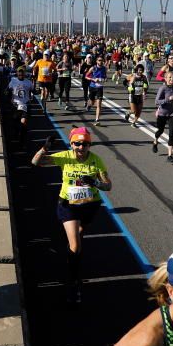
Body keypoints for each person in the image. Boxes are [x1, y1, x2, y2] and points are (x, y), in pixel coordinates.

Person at [32, 127, 112, 304]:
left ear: (89, 145)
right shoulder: (65, 157)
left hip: (90, 205)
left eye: (84, 144)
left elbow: (108, 186)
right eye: (77, 143)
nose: (81, 147)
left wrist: (96, 182)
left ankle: (72, 253)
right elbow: (36, 162)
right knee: (76, 244)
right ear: (71, 144)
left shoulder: (96, 161)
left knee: (79, 236)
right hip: (68, 205)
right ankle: (73, 283)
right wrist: (44, 148)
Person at [151, 72, 173, 162]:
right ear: (165, 78)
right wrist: (168, 99)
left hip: (172, 113)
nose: (171, 79)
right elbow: (156, 102)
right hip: (162, 114)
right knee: (160, 131)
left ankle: (170, 156)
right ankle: (155, 141)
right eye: (169, 77)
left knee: (171, 134)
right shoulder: (163, 88)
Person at [7, 65, 35, 146]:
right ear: (17, 74)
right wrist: (7, 93)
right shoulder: (13, 81)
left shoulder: (28, 82)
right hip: (15, 105)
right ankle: (16, 134)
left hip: (25, 105)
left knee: (23, 122)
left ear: (24, 74)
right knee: (15, 123)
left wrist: (38, 91)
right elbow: (7, 90)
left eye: (22, 74)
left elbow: (33, 91)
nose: (21, 75)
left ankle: (22, 140)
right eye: (19, 74)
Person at [85, 56, 108, 126]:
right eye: (99, 60)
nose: (101, 62)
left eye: (102, 60)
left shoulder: (104, 68)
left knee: (99, 105)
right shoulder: (93, 68)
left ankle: (97, 119)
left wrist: (105, 79)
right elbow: (86, 76)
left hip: (100, 88)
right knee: (92, 102)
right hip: (92, 87)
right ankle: (89, 105)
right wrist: (93, 79)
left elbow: (105, 76)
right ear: (97, 61)